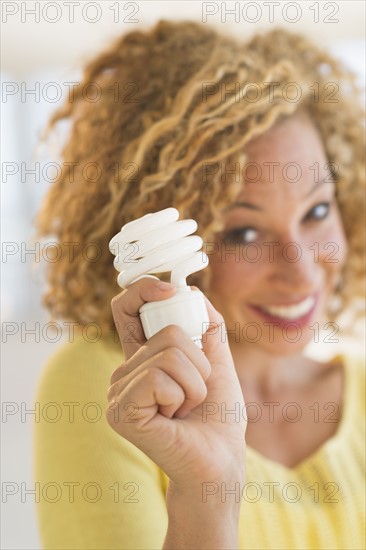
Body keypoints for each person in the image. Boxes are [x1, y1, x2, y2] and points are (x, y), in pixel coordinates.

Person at [33, 20, 365, 549]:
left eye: (317, 210)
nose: (302, 270)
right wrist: (206, 492)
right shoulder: (116, 388)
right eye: (243, 232)